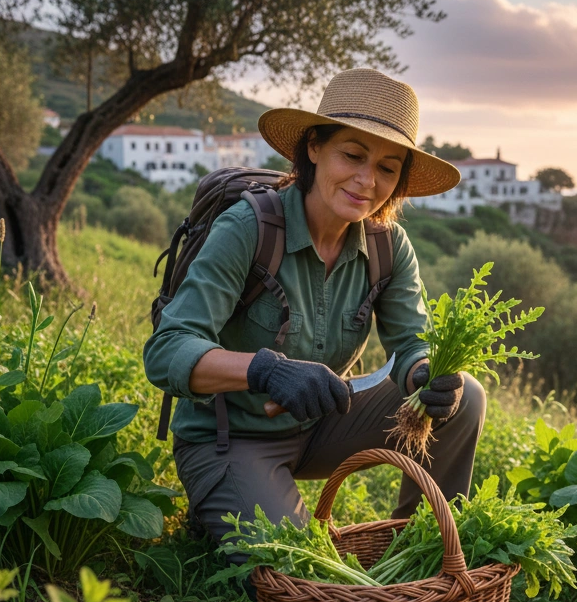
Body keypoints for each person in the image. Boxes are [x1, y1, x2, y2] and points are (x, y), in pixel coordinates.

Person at [143, 67, 486, 546]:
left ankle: (423, 546)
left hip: (320, 425)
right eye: (352, 155)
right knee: (301, 566)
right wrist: (266, 370)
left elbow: (412, 344)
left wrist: (426, 375)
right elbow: (166, 351)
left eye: (388, 168)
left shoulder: (389, 245)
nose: (367, 180)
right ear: (314, 148)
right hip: (232, 435)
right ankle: (226, 496)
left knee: (465, 396)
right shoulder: (249, 228)